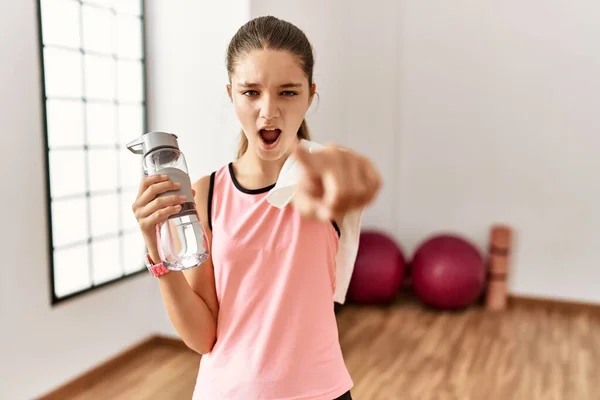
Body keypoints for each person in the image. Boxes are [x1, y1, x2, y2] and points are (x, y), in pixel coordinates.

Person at [132, 16, 381, 400]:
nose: (268, 111)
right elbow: (203, 337)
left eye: (287, 92)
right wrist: (157, 249)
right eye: (251, 92)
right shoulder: (207, 193)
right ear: (231, 94)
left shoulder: (331, 178)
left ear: (310, 95)